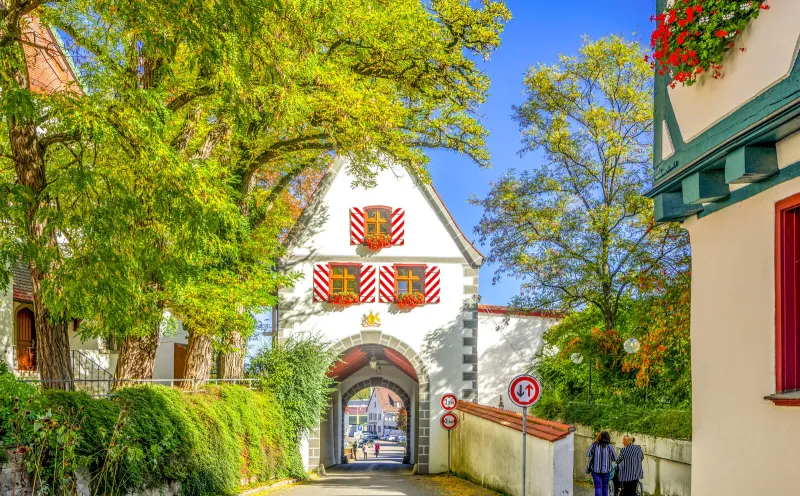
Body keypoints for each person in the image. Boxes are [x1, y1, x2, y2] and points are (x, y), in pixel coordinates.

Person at [587, 431, 617, 496]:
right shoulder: (610, 447)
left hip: (595, 470)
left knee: (598, 487)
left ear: (600, 437)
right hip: (606, 471)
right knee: (605, 487)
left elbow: (588, 454)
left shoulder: (594, 445)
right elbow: (615, 458)